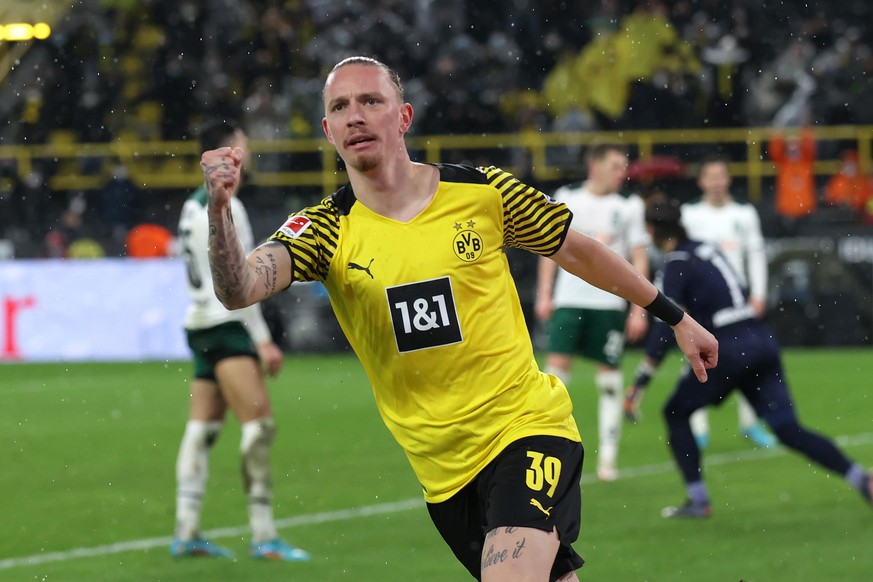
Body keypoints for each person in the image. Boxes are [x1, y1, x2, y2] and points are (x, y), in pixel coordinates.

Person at [200, 56, 717, 581]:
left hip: (526, 429)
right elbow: (238, 288)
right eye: (340, 107)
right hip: (444, 474)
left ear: (403, 117)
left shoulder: (483, 192)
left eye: (370, 101)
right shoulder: (324, 231)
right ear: (327, 130)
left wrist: (673, 316)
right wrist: (219, 213)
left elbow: (578, 252)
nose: (355, 116)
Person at [624, 199, 872, 518]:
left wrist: (641, 381)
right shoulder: (707, 249)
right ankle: (860, 477)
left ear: (651, 230)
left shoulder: (676, 264)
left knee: (675, 413)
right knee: (787, 428)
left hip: (728, 348)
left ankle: (698, 500)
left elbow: (665, 325)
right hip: (760, 339)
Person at [171, 119, 310, 561]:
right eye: (242, 146)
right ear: (227, 151)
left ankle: (185, 529)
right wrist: (264, 339)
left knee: (204, 427)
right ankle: (265, 535)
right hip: (228, 326)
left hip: (199, 326)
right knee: (259, 427)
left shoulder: (191, 207)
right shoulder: (229, 208)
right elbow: (241, 283)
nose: (246, 154)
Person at [534, 142, 649, 482]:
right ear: (594, 165)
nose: (622, 172)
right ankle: (546, 448)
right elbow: (547, 249)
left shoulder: (629, 206)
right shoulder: (567, 197)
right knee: (556, 377)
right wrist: (544, 294)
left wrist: (639, 309)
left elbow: (638, 256)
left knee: (610, 380)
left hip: (610, 303)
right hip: (569, 300)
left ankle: (608, 461)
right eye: (616, 165)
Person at [679, 155, 776, 450]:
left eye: (722, 176)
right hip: (700, 302)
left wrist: (759, 294)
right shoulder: (689, 214)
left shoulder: (744, 213)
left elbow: (755, 255)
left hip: (737, 300)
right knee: (695, 357)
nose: (717, 182)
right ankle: (698, 427)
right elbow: (681, 259)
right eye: (712, 176)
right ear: (702, 181)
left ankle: (750, 423)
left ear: (728, 180)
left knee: (747, 361)